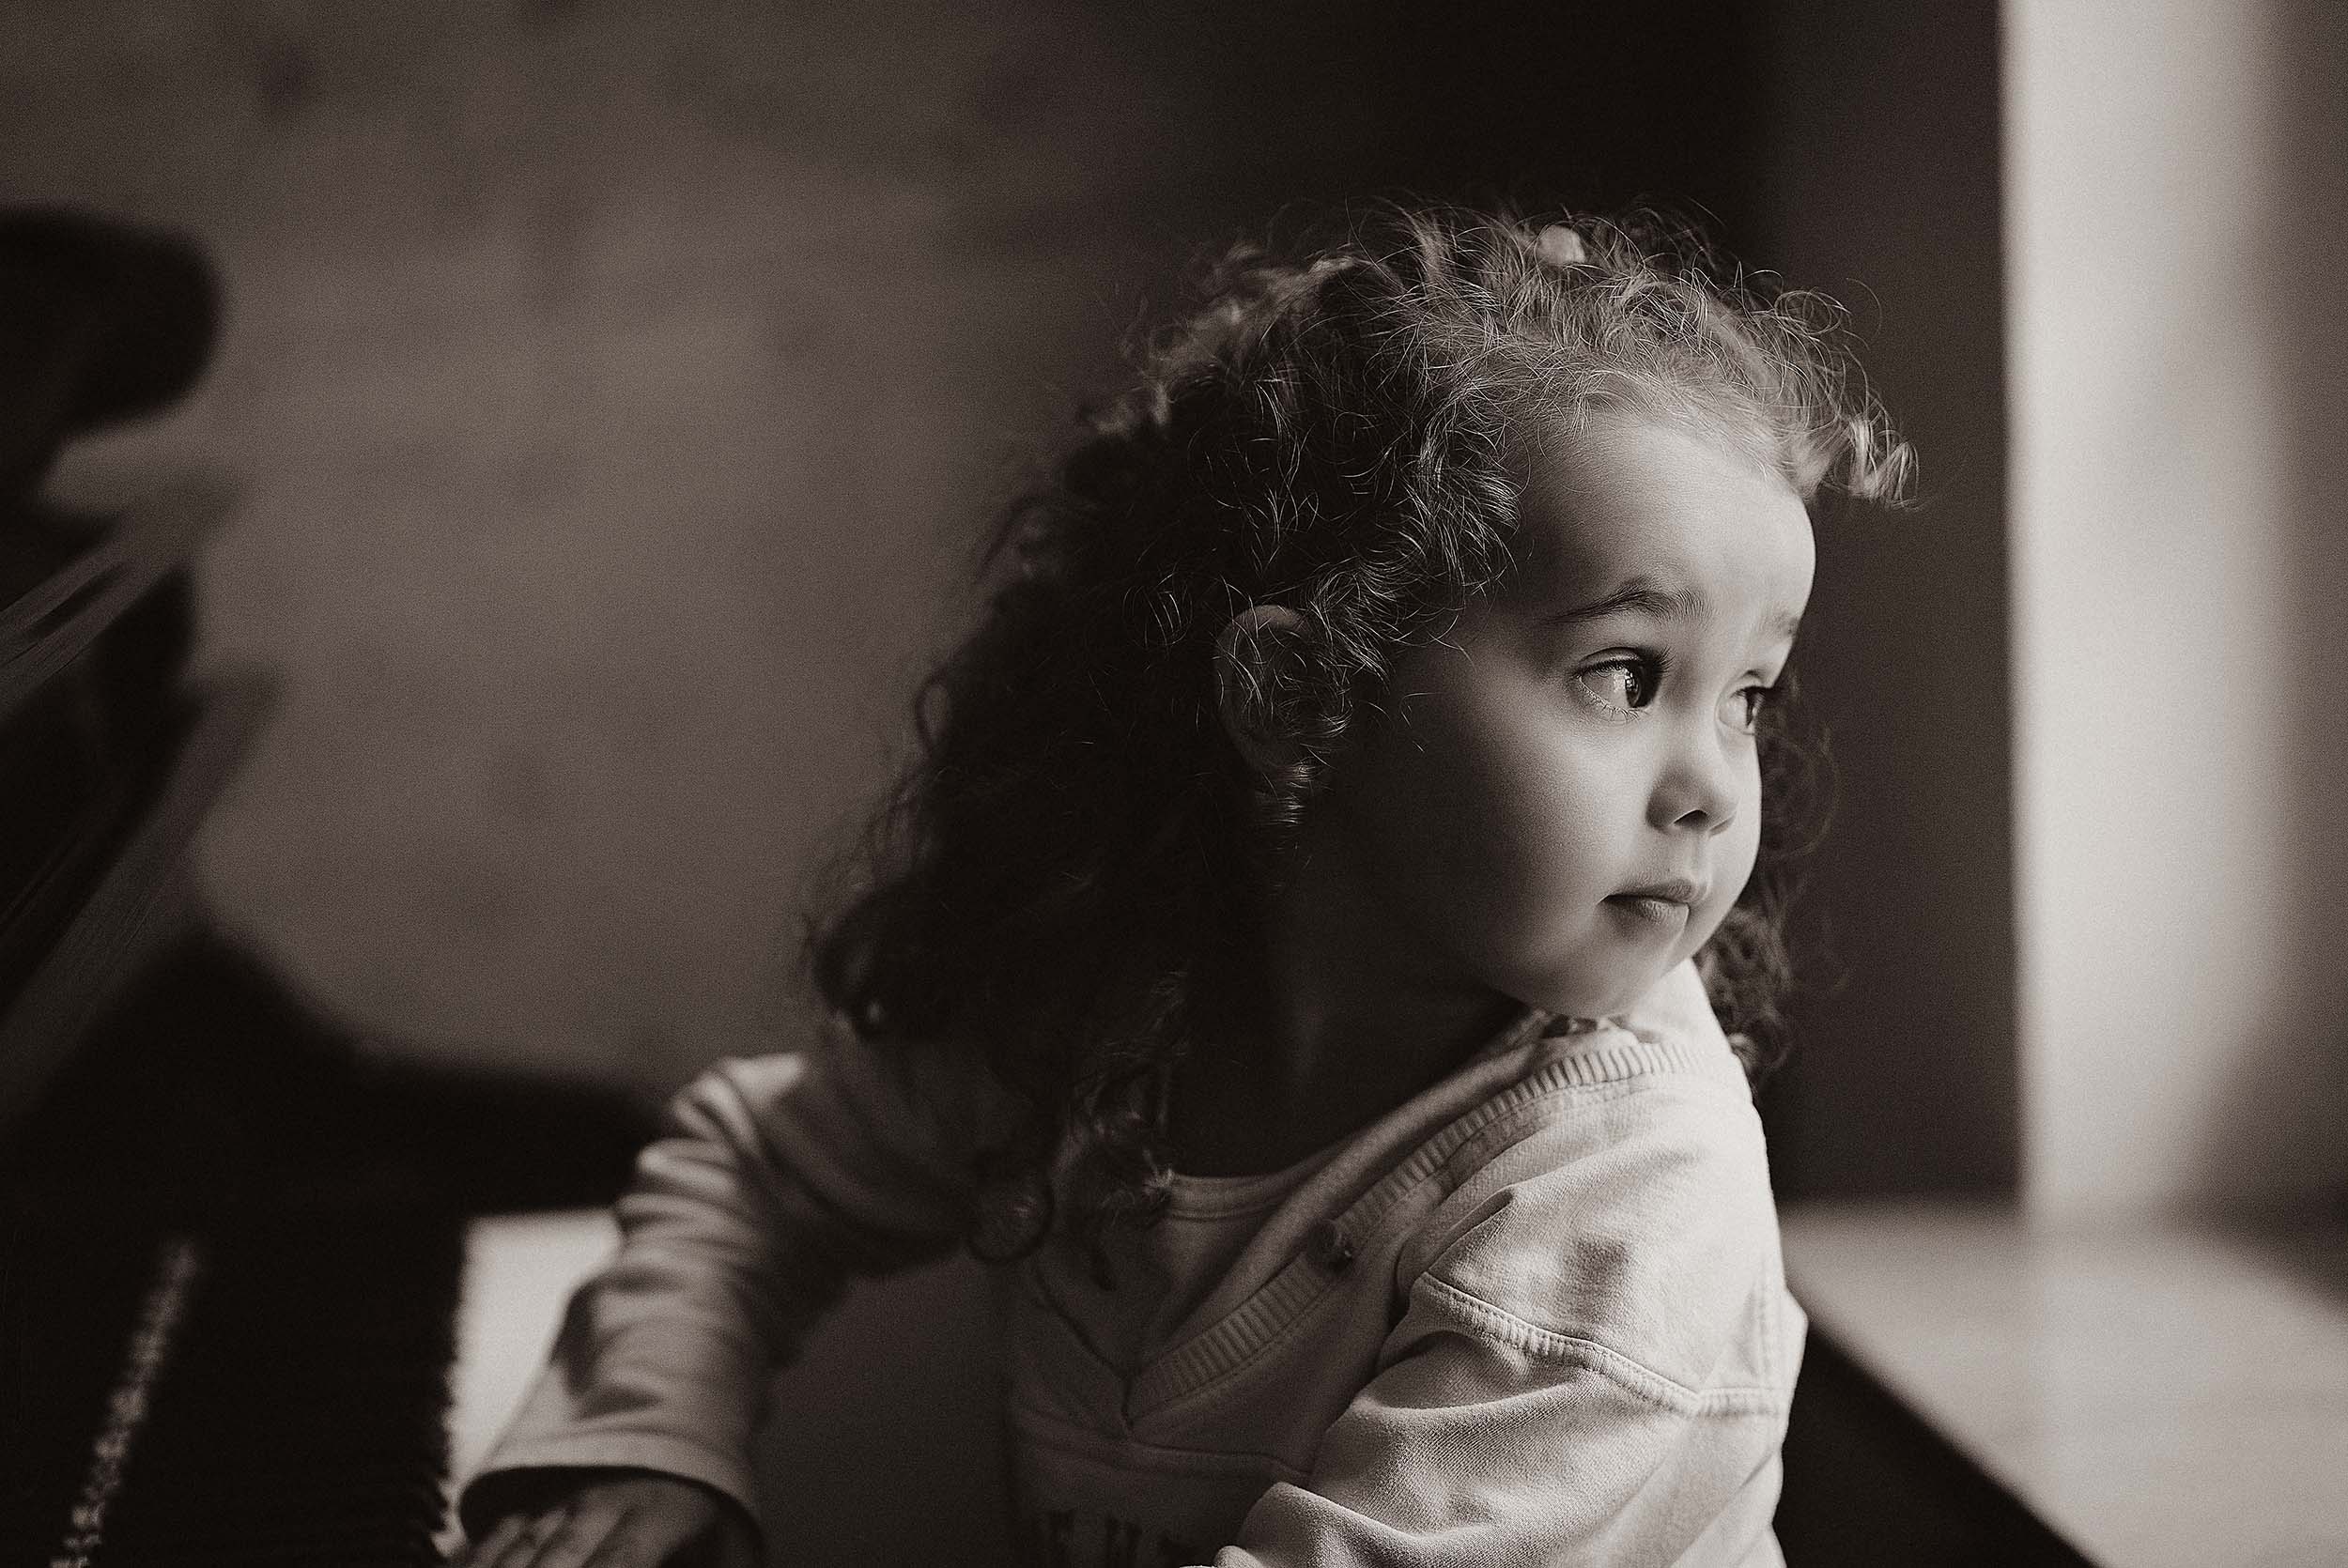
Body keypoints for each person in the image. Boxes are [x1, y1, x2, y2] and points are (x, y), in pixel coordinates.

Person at [452, 206, 1910, 1568]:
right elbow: (756, 1164)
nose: (1717, 784)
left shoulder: (1630, 1198)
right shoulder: (1105, 1021)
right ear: (1300, 691)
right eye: (1627, 673)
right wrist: (650, 1434)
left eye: (1750, 696)